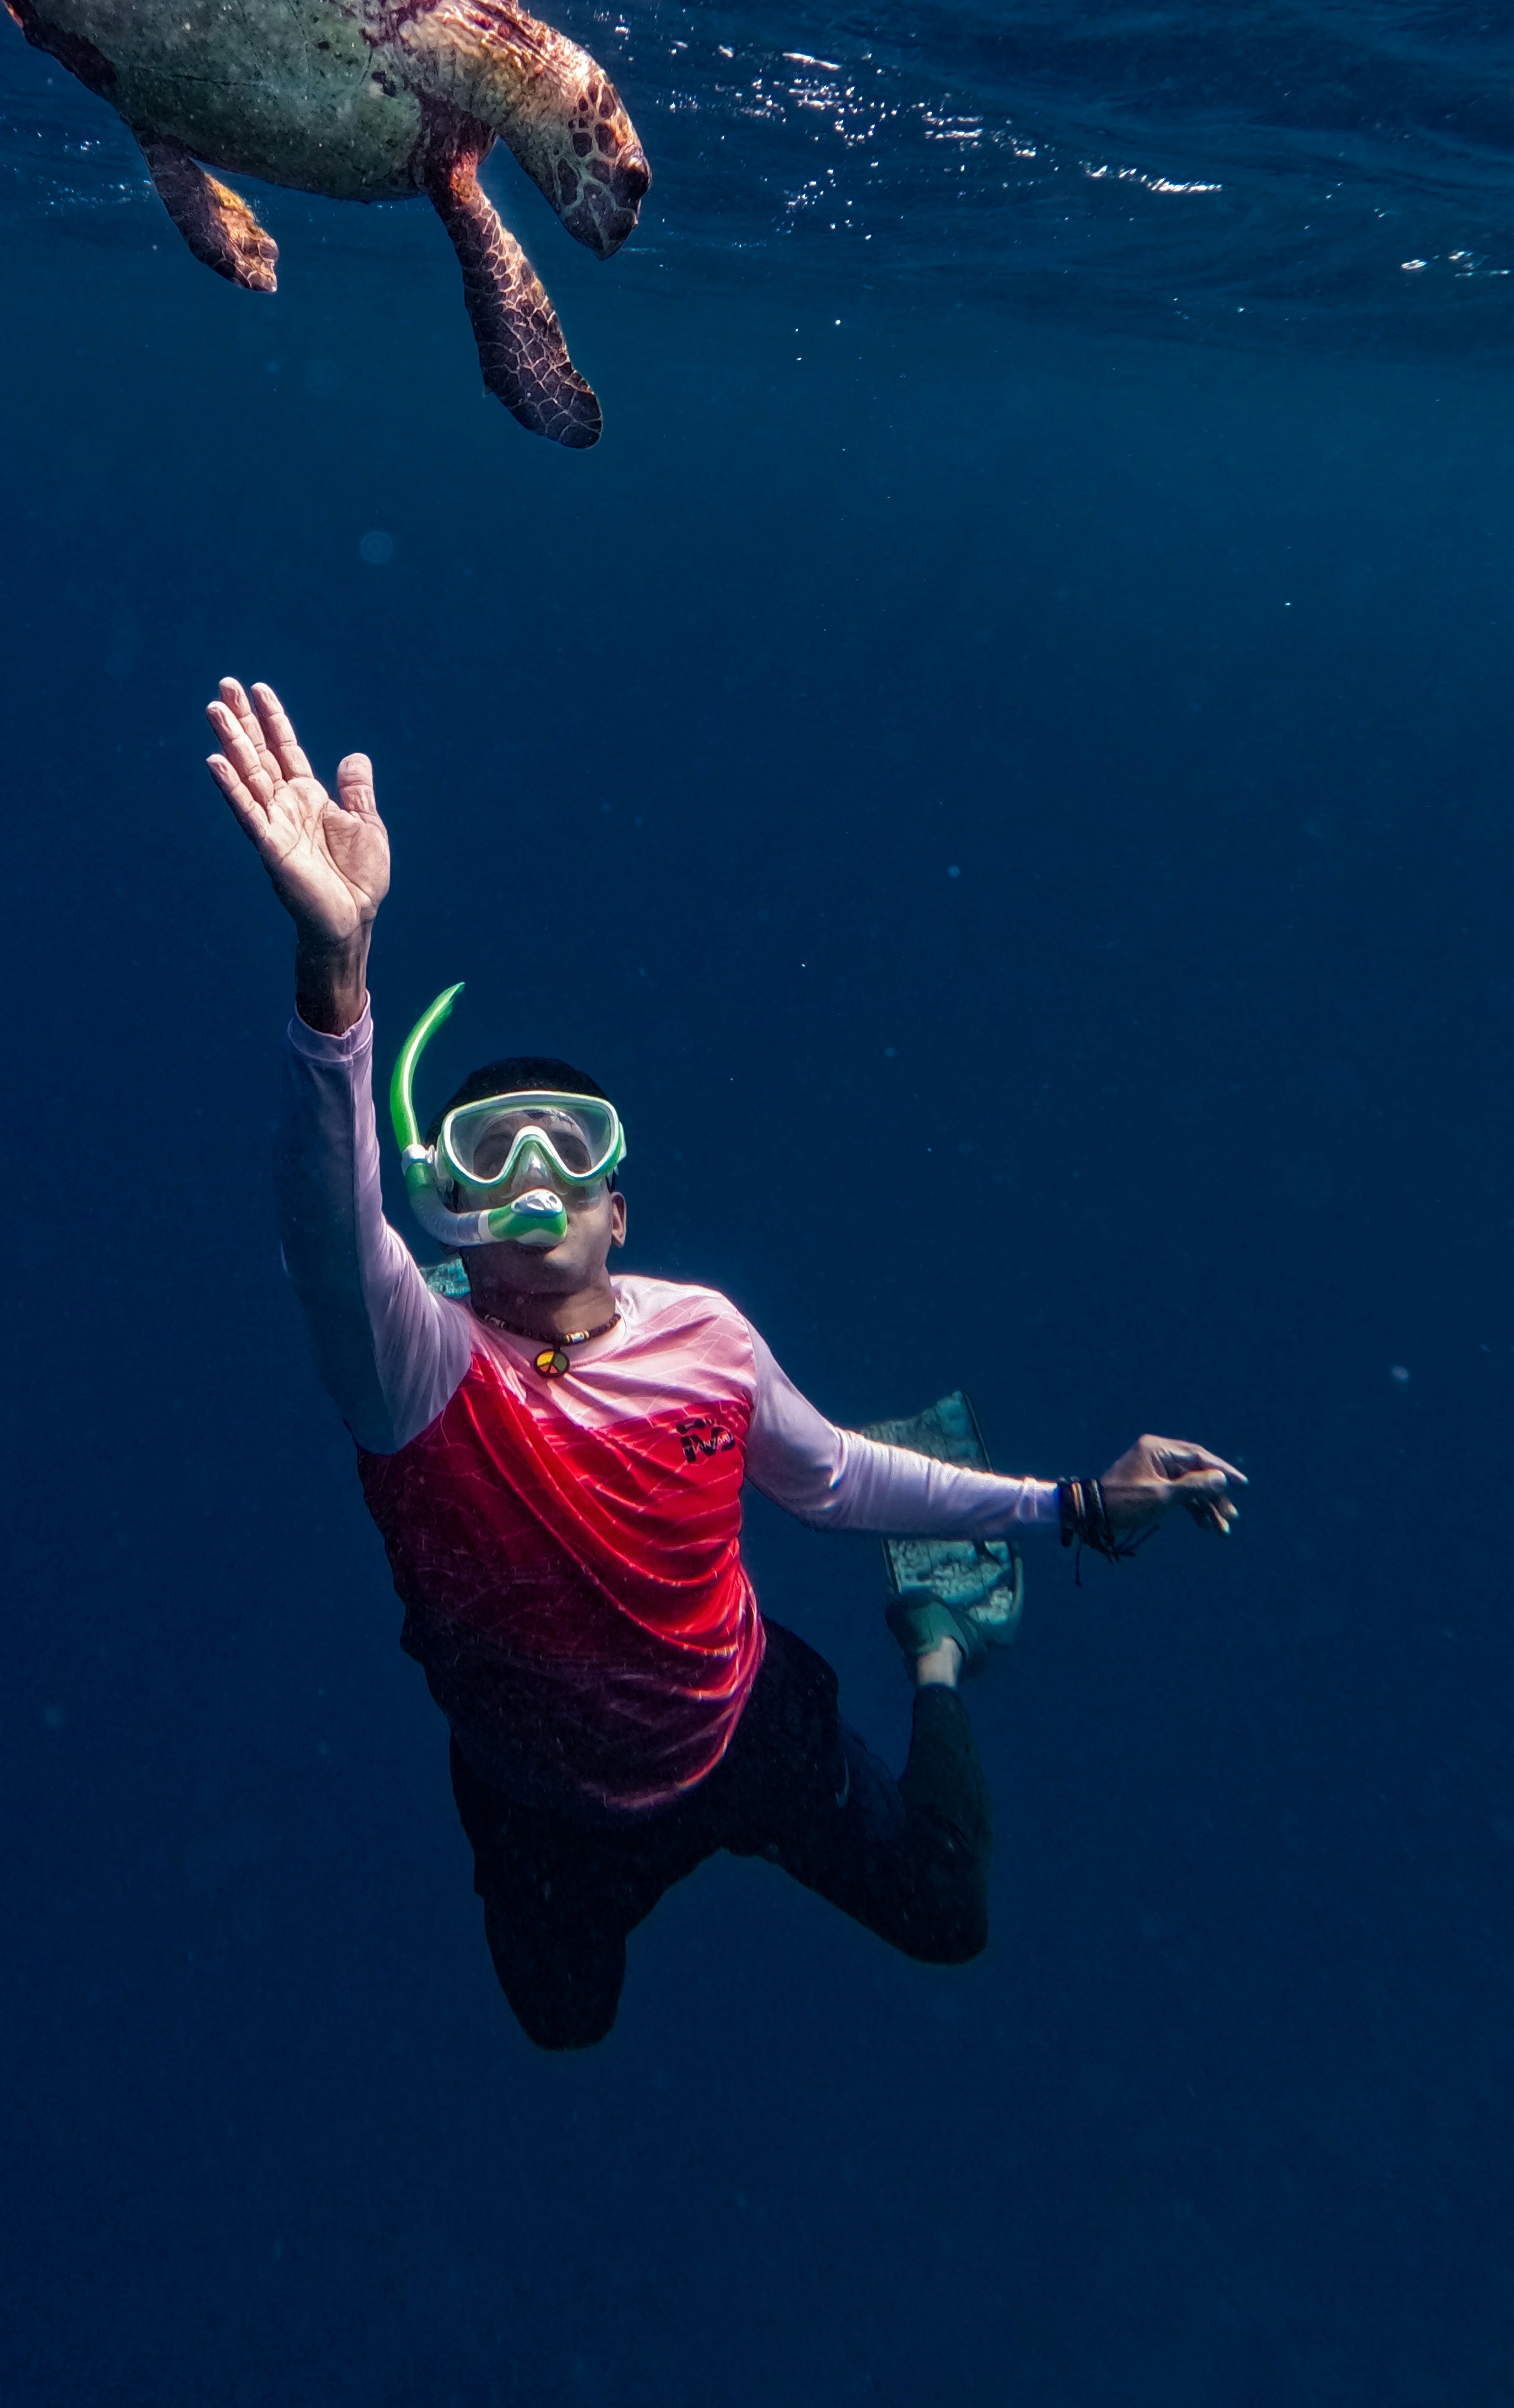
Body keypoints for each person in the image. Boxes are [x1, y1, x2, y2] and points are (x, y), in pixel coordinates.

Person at [207, 675, 1244, 2052]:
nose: (536, 1173)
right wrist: (336, 969)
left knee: (951, 1918)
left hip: (747, 1734)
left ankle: (933, 1645)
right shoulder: (416, 1366)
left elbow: (829, 1478)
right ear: (445, 1204)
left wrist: (1075, 1508)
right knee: (562, 2026)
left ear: (620, 1206)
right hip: (543, 1802)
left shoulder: (707, 1336)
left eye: (571, 1145)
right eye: (490, 1151)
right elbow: (326, 1230)